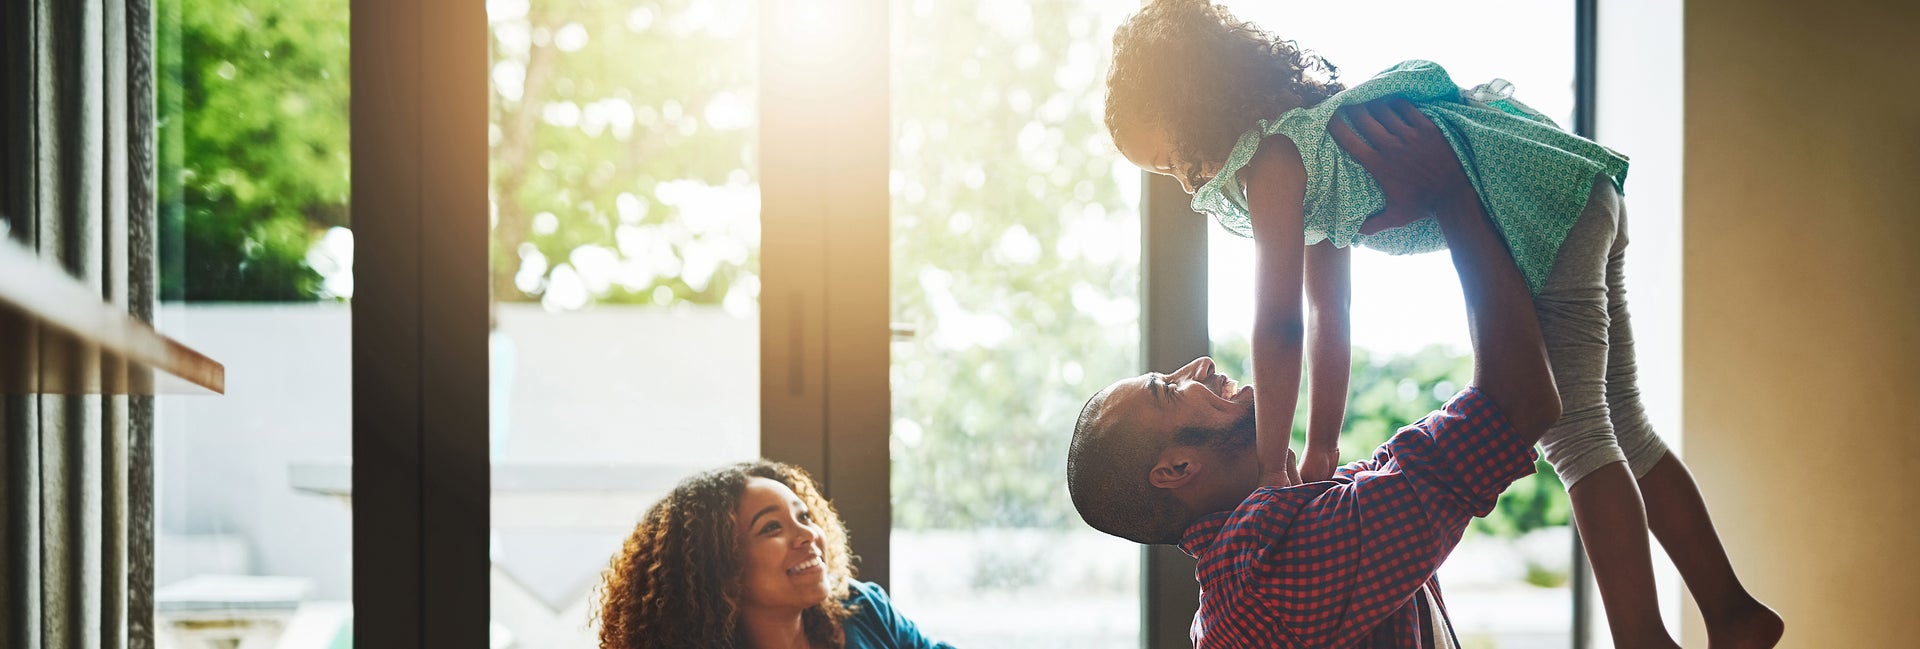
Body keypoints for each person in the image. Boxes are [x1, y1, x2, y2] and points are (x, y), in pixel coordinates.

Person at [1099, 1, 1779, 646]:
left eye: (1173, 162)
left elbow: (1280, 324)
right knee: (1624, 423)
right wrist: (1320, 451)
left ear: (1189, 109)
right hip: (1574, 193)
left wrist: (1278, 466)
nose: (1186, 185)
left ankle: (1643, 637)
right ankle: (1733, 610)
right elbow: (1328, 314)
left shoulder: (1273, 161)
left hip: (1538, 216)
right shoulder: (1302, 139)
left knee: (1578, 435)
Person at [596, 460, 954, 649]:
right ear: (723, 570)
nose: (807, 535)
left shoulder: (863, 610)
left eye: (804, 516)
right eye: (771, 528)